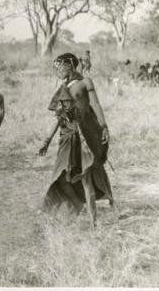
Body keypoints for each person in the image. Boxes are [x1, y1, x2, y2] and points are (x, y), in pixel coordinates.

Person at [40, 53, 113, 228]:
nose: (57, 71)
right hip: (68, 137)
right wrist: (47, 140)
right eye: (55, 68)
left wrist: (104, 127)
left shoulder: (86, 82)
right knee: (62, 176)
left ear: (70, 65)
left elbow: (96, 105)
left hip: (85, 136)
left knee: (87, 177)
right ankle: (76, 207)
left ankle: (94, 223)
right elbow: (60, 118)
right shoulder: (63, 89)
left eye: (60, 67)